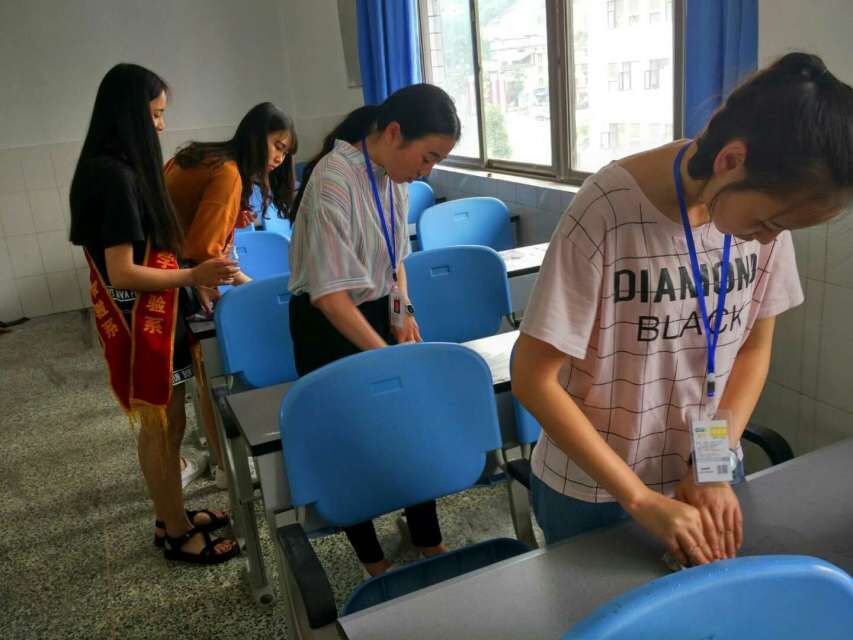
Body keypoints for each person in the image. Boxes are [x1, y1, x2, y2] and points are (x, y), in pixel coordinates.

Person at [512, 52, 853, 568]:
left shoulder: (766, 213)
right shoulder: (607, 211)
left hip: (705, 474)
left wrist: (712, 466)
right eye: (768, 223)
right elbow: (532, 377)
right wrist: (640, 500)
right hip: (597, 491)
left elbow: (751, 349)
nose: (769, 240)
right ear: (731, 161)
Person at [69, 63, 240, 564]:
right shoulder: (113, 175)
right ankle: (176, 533)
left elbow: (154, 247)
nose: (162, 126)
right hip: (143, 318)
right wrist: (193, 275)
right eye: (156, 115)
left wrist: (192, 279)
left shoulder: (115, 168)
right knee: (162, 425)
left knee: (170, 421)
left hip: (158, 311)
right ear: (129, 116)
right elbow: (122, 271)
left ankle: (173, 516)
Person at [287, 83, 460, 577]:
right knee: (350, 439)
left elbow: (396, 259)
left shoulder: (393, 178)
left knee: (409, 423)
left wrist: (405, 312)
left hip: (378, 310)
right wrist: (387, 356)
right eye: (428, 157)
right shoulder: (333, 179)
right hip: (328, 323)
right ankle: (373, 561)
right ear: (393, 133)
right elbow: (328, 296)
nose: (428, 171)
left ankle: (427, 538)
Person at [164, 102, 298, 485]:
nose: (279, 158)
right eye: (276, 145)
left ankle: (222, 464)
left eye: (285, 151)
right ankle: (224, 465)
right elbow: (205, 251)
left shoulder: (211, 159)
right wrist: (251, 289)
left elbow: (202, 243)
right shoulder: (227, 172)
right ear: (255, 136)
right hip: (166, 275)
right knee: (208, 371)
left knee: (205, 372)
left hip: (169, 268)